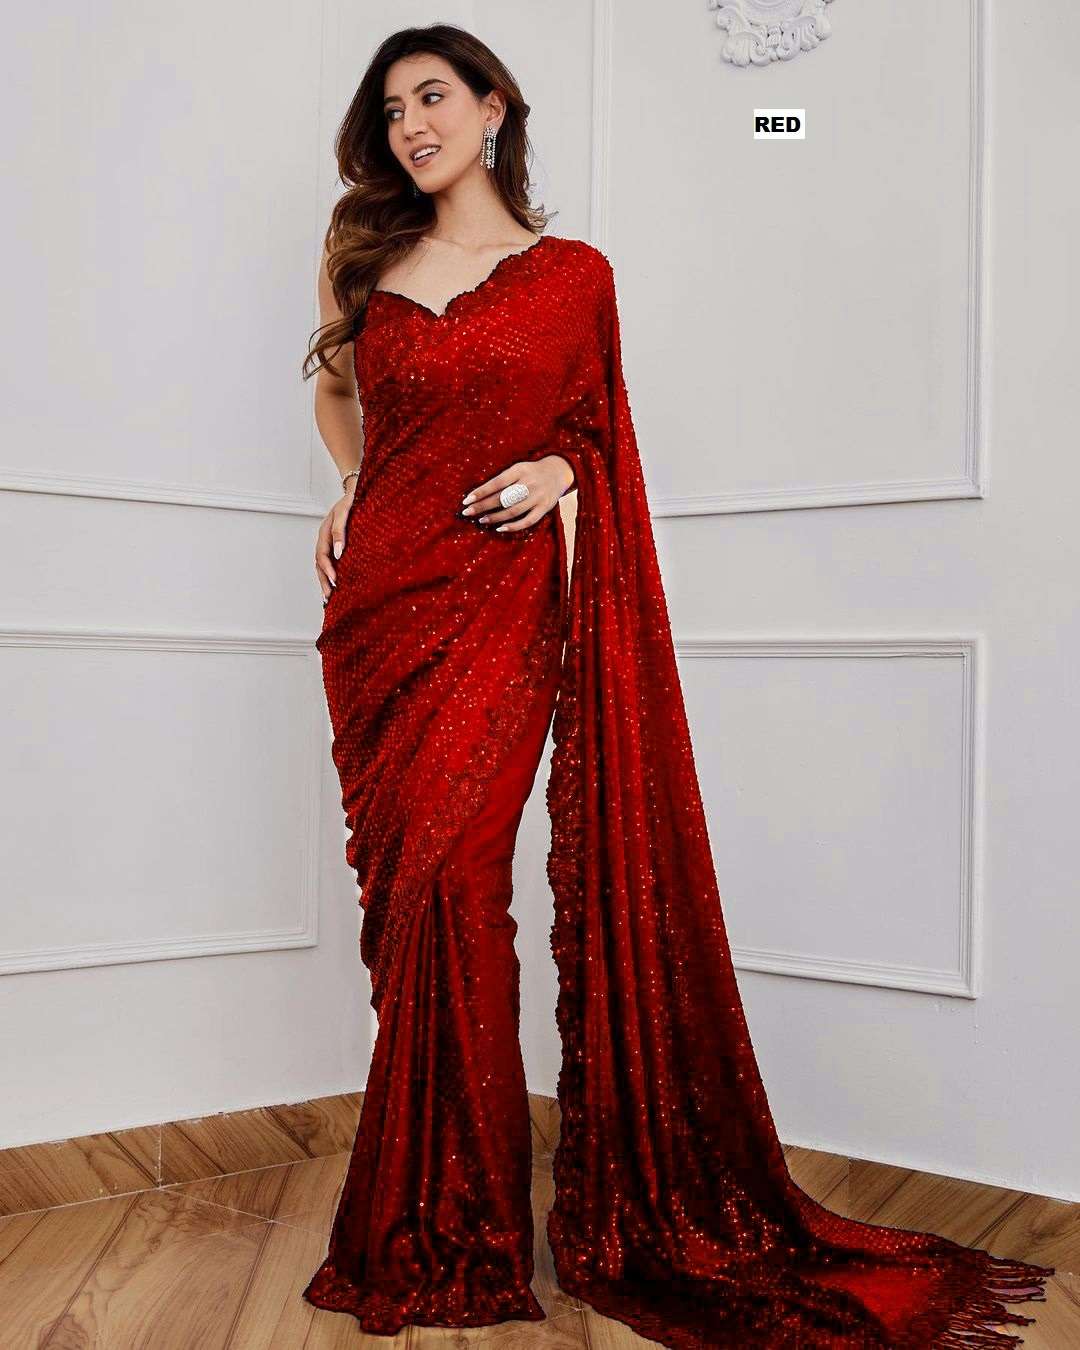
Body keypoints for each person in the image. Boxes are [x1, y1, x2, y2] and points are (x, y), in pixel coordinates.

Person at [298, 22, 1053, 1348]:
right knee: (414, 900)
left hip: (501, 604)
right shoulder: (367, 260)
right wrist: (356, 483)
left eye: (435, 95)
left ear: (493, 106)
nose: (413, 124)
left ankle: (467, 1224)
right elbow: (337, 394)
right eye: (394, 107)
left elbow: (602, 433)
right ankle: (434, 1211)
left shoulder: (573, 277)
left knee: (461, 884)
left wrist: (565, 472)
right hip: (378, 616)